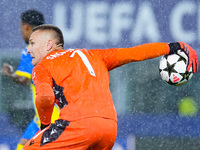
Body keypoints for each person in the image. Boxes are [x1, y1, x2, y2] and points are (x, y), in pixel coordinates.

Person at [23, 24, 198, 150]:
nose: (29, 49)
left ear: (49, 44)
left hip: (78, 125)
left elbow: (45, 97)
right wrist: (171, 47)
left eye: (32, 43)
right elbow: (134, 53)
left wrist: (45, 124)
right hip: (109, 129)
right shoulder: (94, 55)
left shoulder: (43, 66)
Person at [1, 10, 60, 150]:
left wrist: (9, 74)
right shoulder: (53, 47)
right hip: (48, 113)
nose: (22, 32)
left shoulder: (31, 49)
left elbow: (23, 79)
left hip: (51, 114)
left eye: (21, 28)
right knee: (22, 145)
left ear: (26, 27)